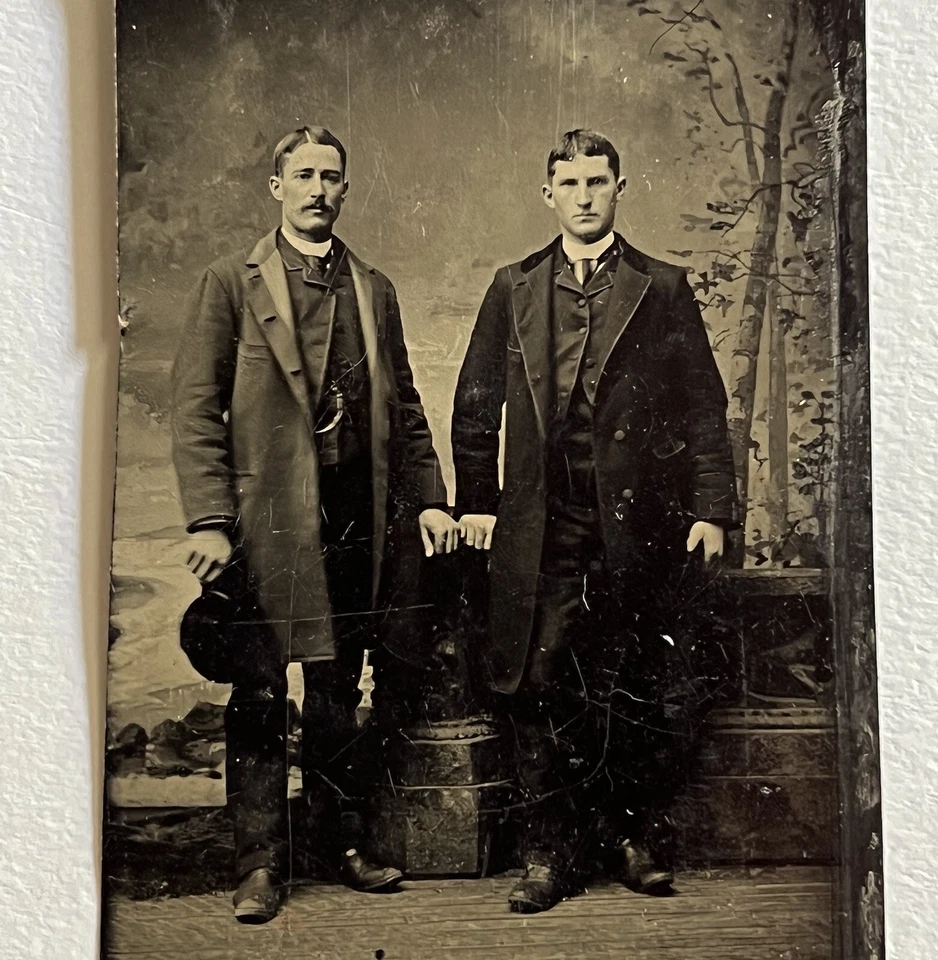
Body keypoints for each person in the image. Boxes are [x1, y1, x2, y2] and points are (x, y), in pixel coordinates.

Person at [171, 125, 460, 924]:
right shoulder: (230, 281)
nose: (318, 190)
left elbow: (404, 409)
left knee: (336, 686)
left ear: (345, 187)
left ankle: (344, 842)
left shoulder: (373, 286)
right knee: (261, 689)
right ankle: (260, 864)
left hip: (351, 516)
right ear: (276, 187)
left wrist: (431, 497)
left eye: (332, 176)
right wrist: (209, 520)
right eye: (303, 175)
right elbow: (196, 411)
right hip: (263, 523)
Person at [452, 130, 739, 913]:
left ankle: (632, 840)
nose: (584, 196)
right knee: (541, 681)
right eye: (569, 183)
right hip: (541, 524)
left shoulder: (663, 287)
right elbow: (476, 404)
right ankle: (550, 852)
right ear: (548, 193)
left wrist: (713, 508)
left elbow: (705, 408)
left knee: (632, 682)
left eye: (598, 181)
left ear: (620, 187)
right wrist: (478, 502)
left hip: (636, 525)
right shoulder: (513, 286)